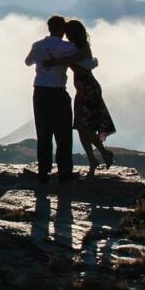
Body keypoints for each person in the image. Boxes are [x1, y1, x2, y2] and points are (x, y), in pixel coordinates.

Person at [24, 15, 95, 184]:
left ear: (49, 28)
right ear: (63, 30)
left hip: (39, 91)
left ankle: (43, 172)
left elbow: (27, 62)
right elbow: (88, 62)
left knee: (43, 132)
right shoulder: (68, 48)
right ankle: (64, 172)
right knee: (63, 133)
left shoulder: (38, 45)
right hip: (58, 92)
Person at [47, 19, 116, 177]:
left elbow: (70, 60)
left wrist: (53, 60)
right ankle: (93, 159)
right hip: (83, 89)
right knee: (81, 127)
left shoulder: (83, 49)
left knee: (84, 127)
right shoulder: (75, 48)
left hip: (88, 89)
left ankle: (104, 153)